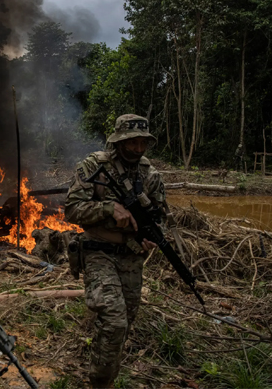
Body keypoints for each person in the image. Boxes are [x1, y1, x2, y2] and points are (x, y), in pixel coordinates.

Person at [65, 114, 165, 389]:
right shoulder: (94, 166)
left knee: (125, 323)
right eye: (132, 143)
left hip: (132, 255)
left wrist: (150, 236)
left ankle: (106, 373)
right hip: (98, 251)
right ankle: (99, 383)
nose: (137, 149)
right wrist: (108, 208)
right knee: (115, 320)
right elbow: (72, 209)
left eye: (142, 143)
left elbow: (159, 214)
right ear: (119, 141)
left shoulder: (150, 174)